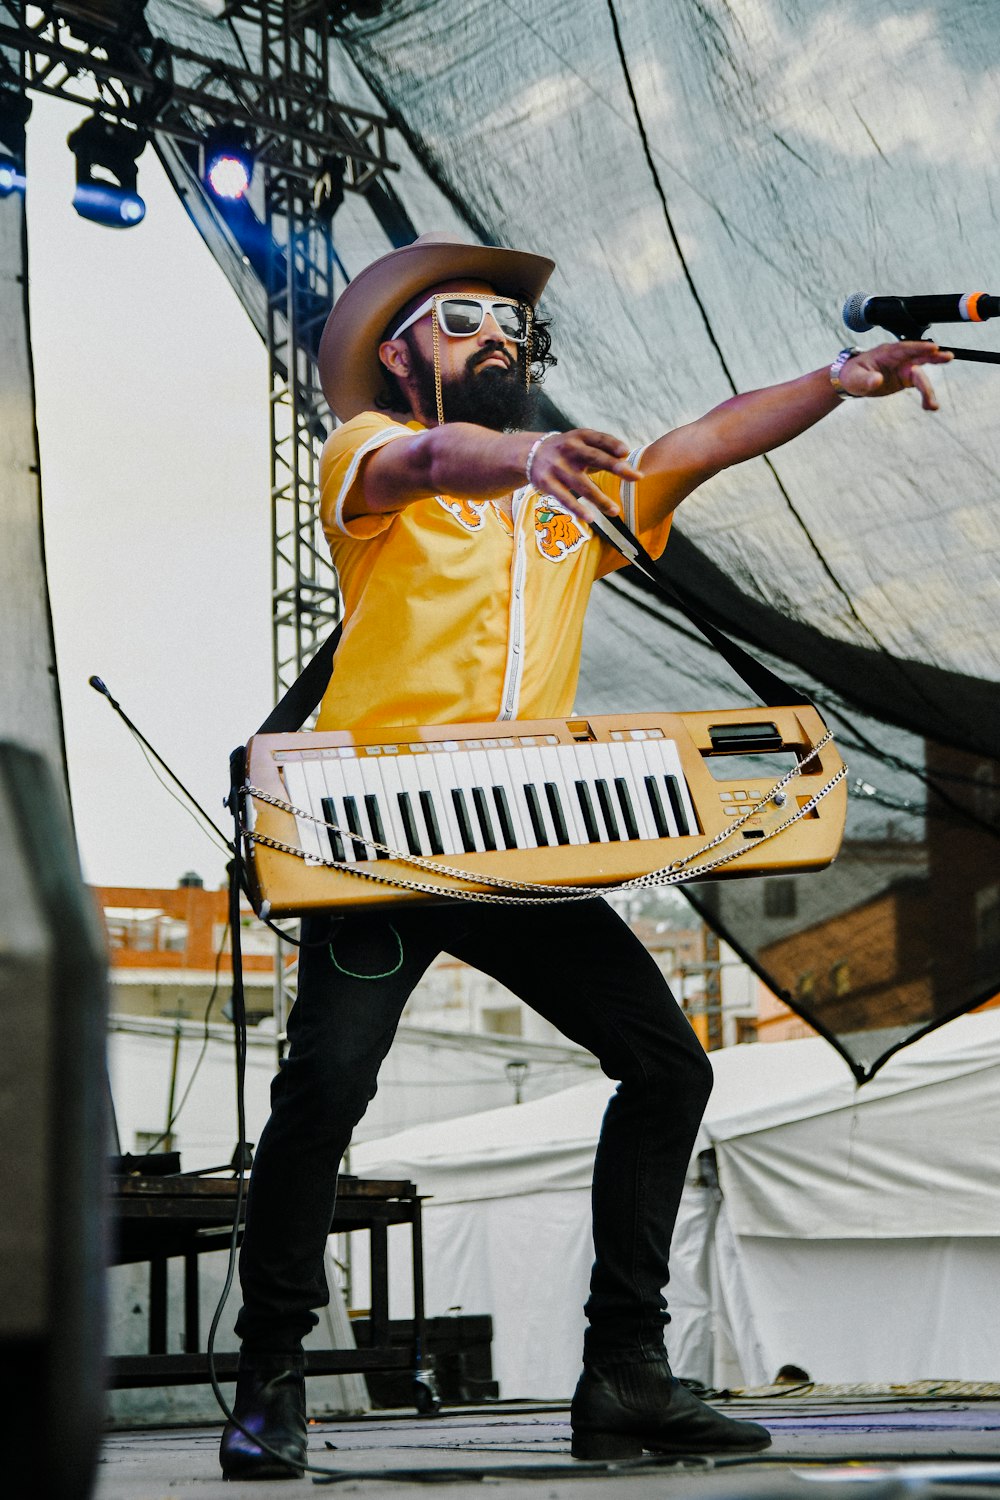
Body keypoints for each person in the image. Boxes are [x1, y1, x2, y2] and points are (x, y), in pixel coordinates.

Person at [220, 232, 949, 1479]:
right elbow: (437, 453)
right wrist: (531, 454)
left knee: (666, 1071)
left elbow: (704, 440)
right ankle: (271, 1375)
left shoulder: (572, 513)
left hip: (514, 838)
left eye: (509, 323)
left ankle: (624, 1377)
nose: (496, 335)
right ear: (399, 354)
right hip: (371, 842)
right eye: (461, 319)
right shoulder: (372, 459)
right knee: (327, 1090)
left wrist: (835, 380)